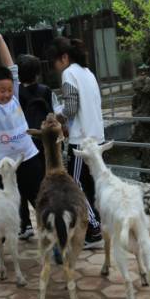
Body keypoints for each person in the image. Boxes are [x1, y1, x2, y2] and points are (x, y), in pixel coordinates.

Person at [0, 26, 45, 266]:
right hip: (4, 167)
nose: (6, 94)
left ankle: (54, 242)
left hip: (30, 159)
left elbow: (11, 68)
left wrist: (0, 38)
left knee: (41, 201)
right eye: (1, 90)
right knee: (1, 208)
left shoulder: (14, 97)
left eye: (9, 89)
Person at [46, 37, 105, 250]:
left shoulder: (69, 73)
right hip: (97, 137)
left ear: (64, 57)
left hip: (81, 141)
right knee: (93, 184)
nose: (55, 67)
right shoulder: (88, 73)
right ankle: (100, 225)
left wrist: (56, 116)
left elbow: (71, 108)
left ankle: (94, 228)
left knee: (77, 185)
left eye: (55, 62)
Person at [16, 54, 62, 240]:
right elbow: (52, 114)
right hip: (44, 142)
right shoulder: (45, 90)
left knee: (21, 183)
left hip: (24, 142)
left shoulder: (16, 92)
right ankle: (49, 221)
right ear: (37, 72)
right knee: (43, 182)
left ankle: (25, 224)